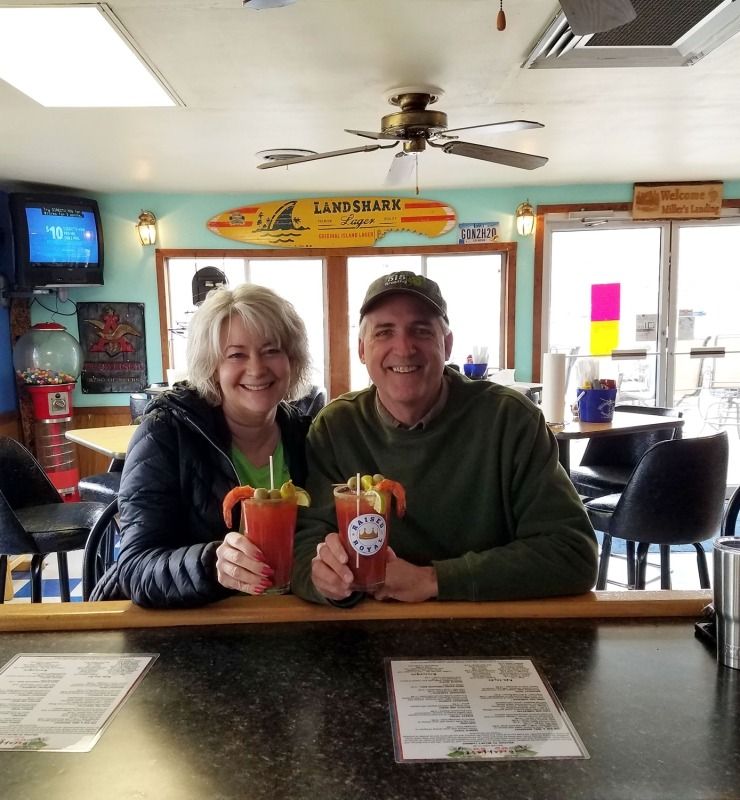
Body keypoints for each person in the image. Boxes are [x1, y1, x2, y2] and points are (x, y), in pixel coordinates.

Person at [292, 271, 597, 605]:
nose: (404, 347)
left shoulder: (510, 420)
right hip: (369, 627)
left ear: (447, 345)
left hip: (490, 627)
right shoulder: (337, 427)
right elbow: (306, 545)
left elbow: (573, 554)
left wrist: (433, 580)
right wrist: (325, 580)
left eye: (421, 330)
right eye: (384, 332)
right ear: (362, 350)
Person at [92, 284, 312, 607]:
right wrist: (210, 565)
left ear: (291, 360)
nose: (257, 368)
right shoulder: (166, 434)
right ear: (212, 366)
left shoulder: (306, 437)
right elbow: (134, 567)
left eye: (272, 350)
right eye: (236, 354)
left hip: (282, 621)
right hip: (192, 628)